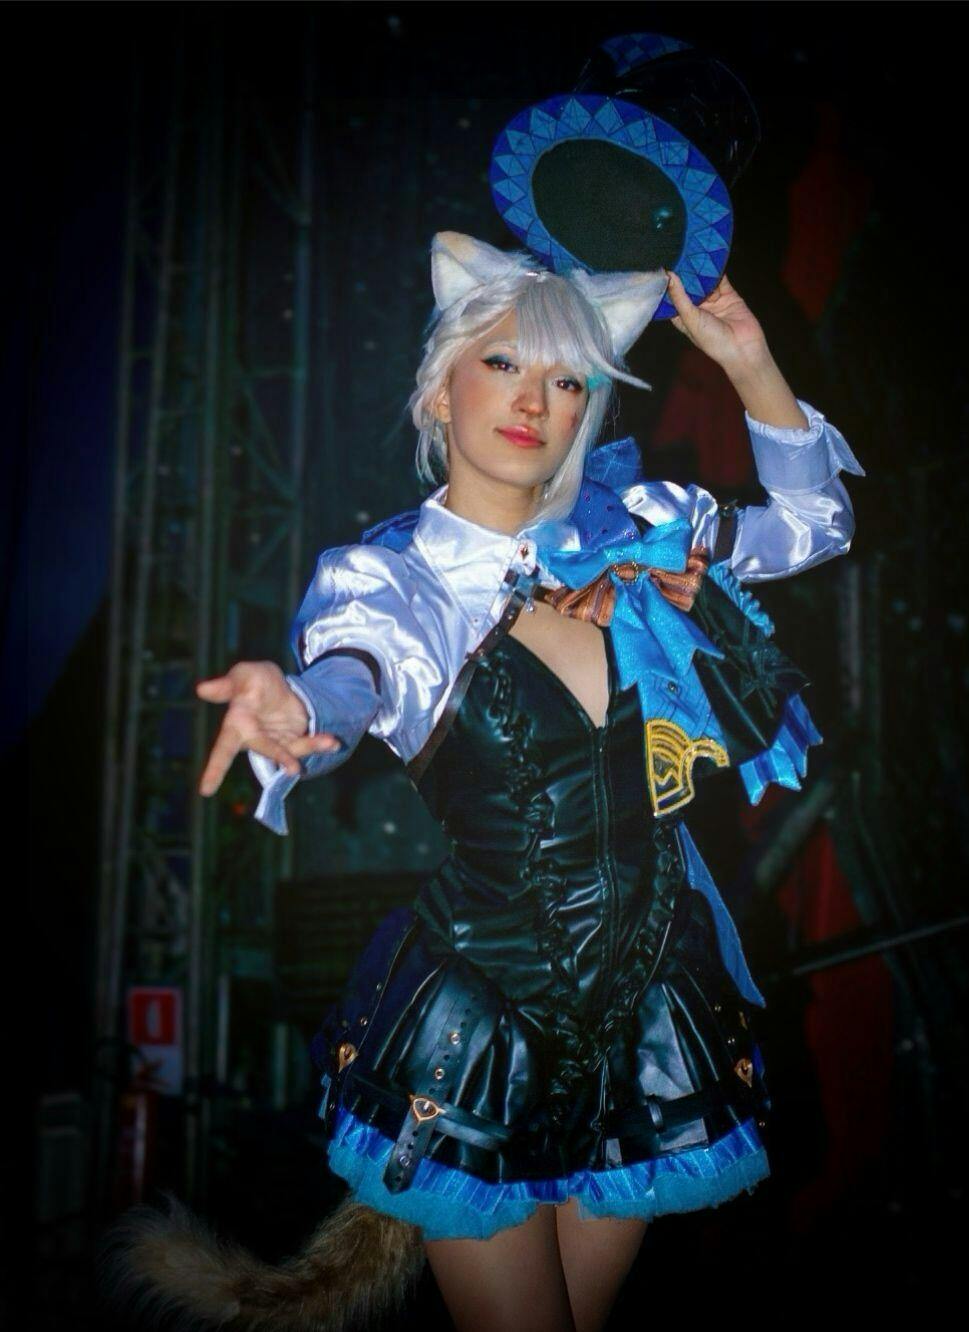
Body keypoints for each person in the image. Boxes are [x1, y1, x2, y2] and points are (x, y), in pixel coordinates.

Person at [120, 231, 861, 1332]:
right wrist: (301, 708)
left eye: (567, 381)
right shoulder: (399, 582)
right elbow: (356, 675)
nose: (533, 400)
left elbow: (816, 524)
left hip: (648, 1019)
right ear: (439, 391)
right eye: (503, 363)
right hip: (482, 1032)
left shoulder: (640, 534)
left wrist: (748, 360)